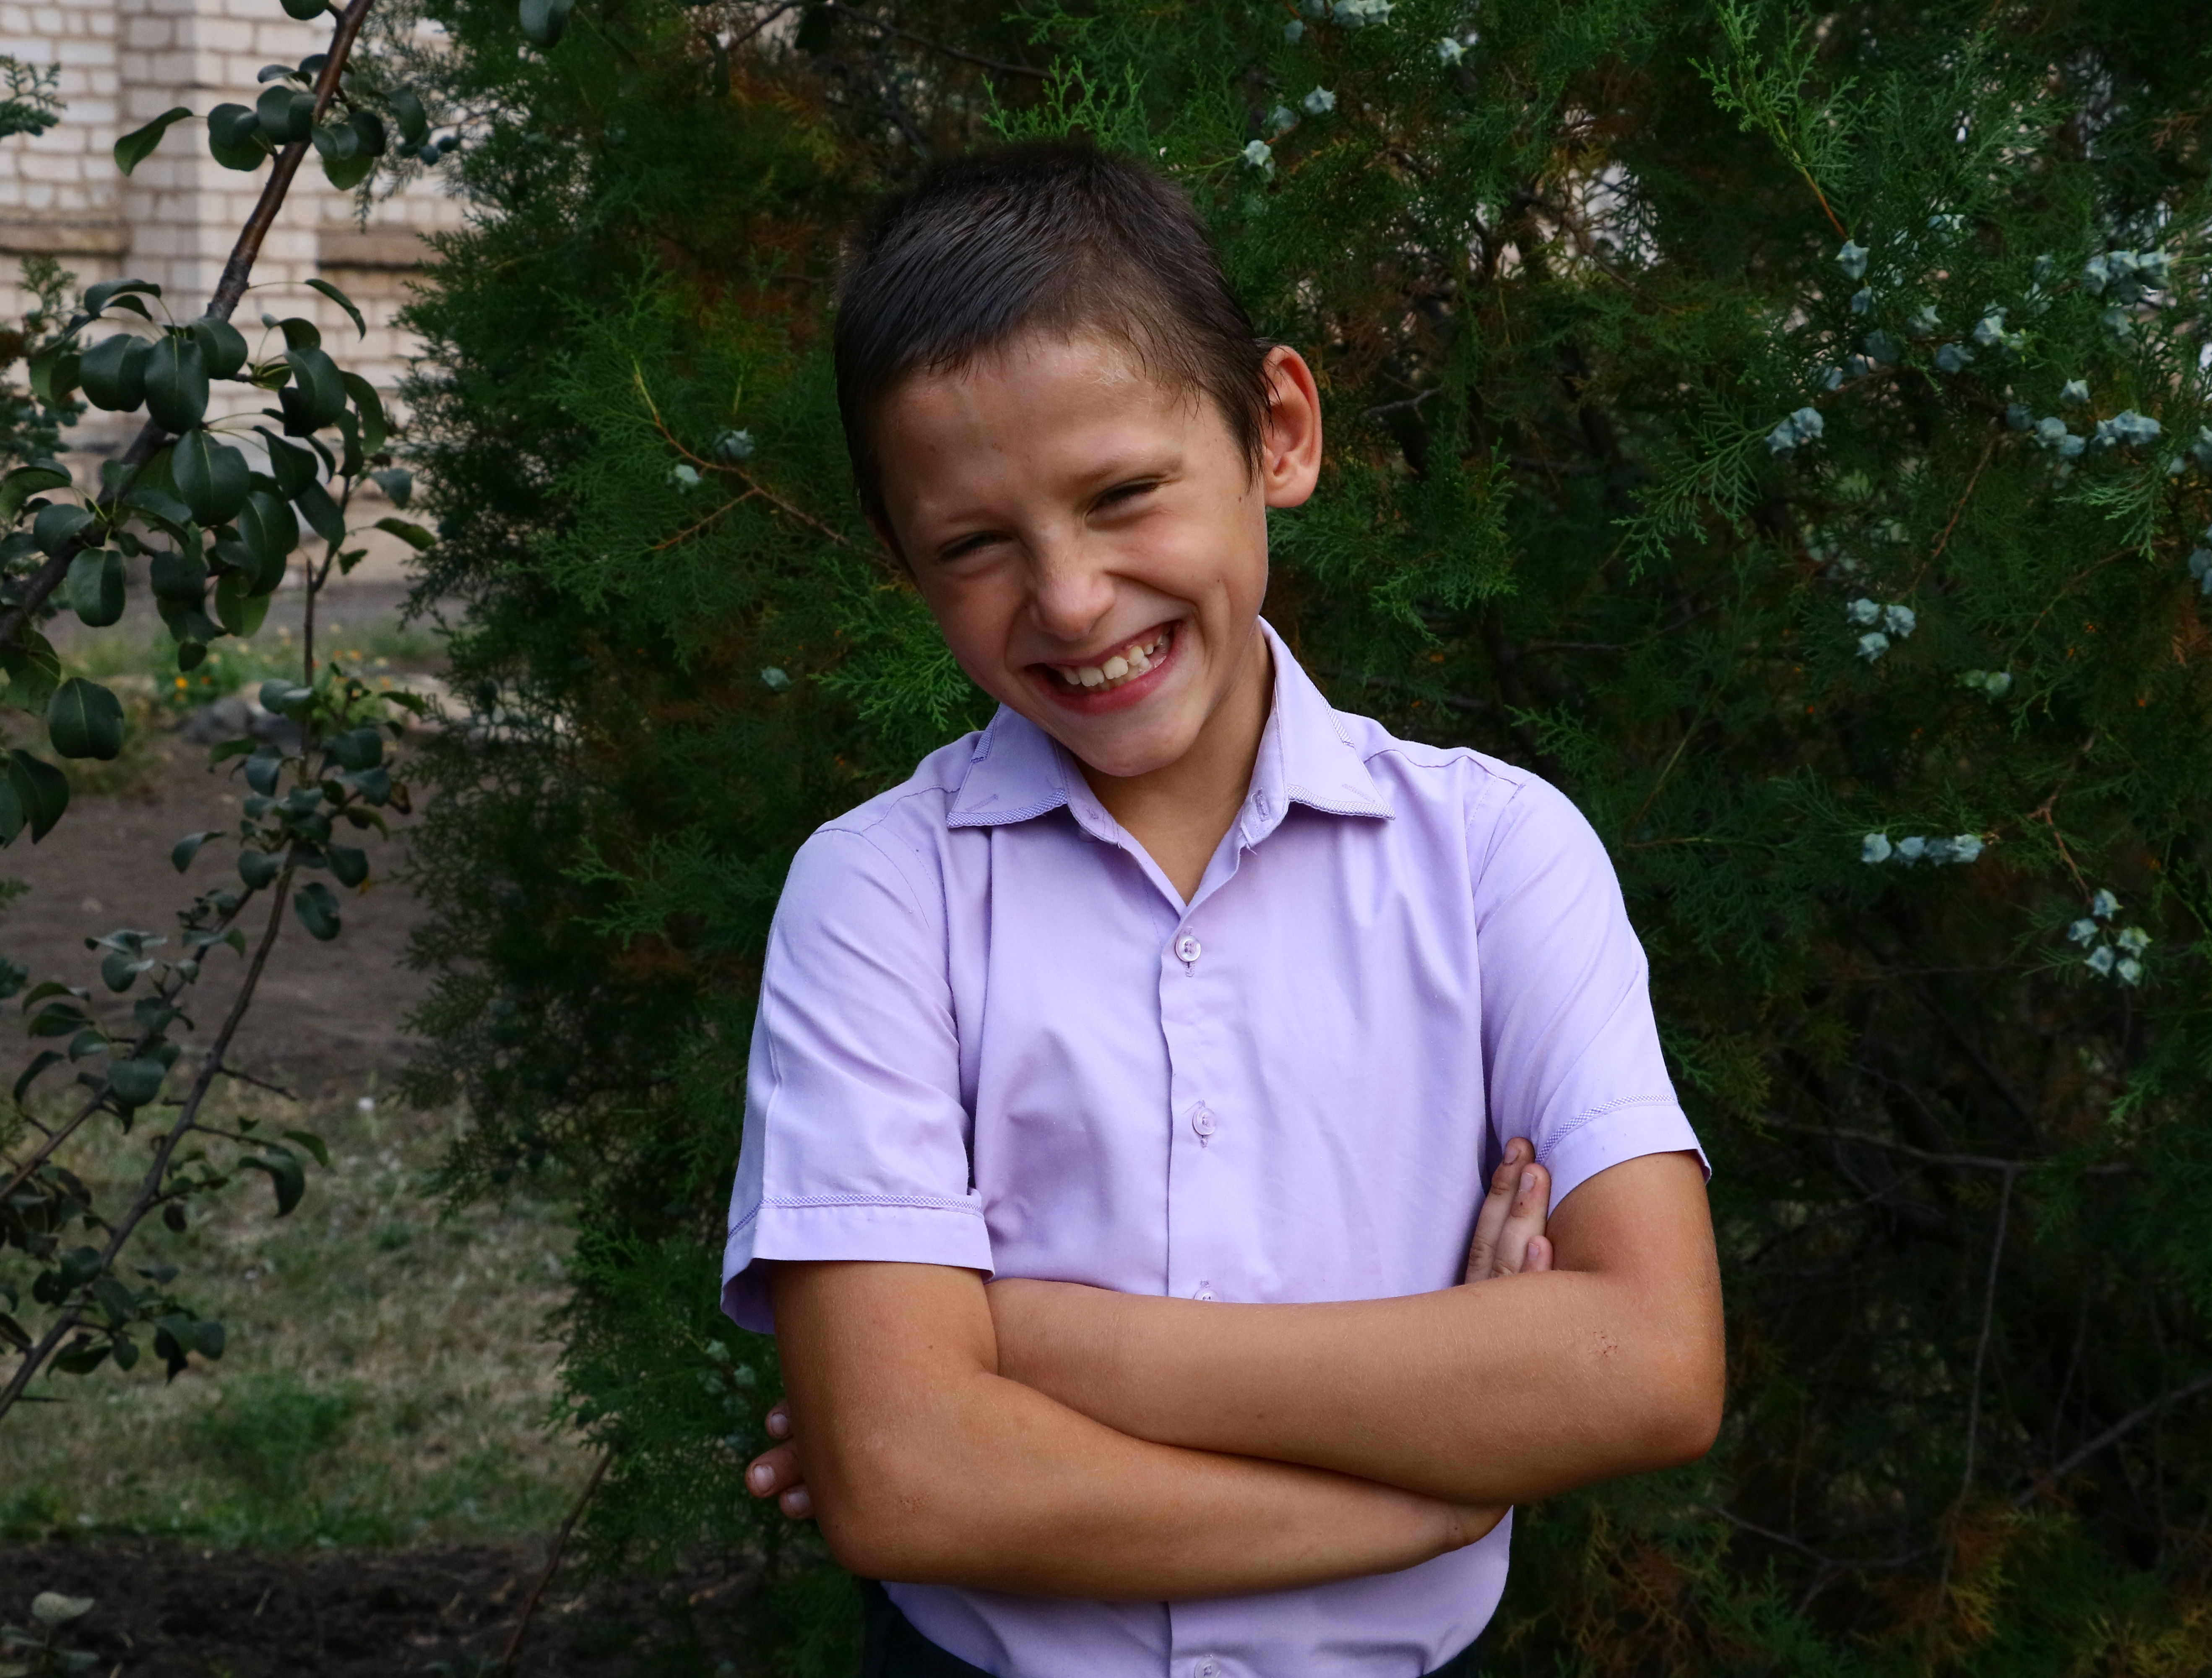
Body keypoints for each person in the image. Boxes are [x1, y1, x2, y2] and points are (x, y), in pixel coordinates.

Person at [720, 138, 1724, 1678]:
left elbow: (1648, 1366)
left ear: (1280, 432)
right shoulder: (879, 895)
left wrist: (1036, 1345)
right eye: (975, 545)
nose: (1070, 599)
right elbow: (912, 1477)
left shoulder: (1495, 856)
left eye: (1124, 494)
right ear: (903, 560)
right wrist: (1433, 1497)